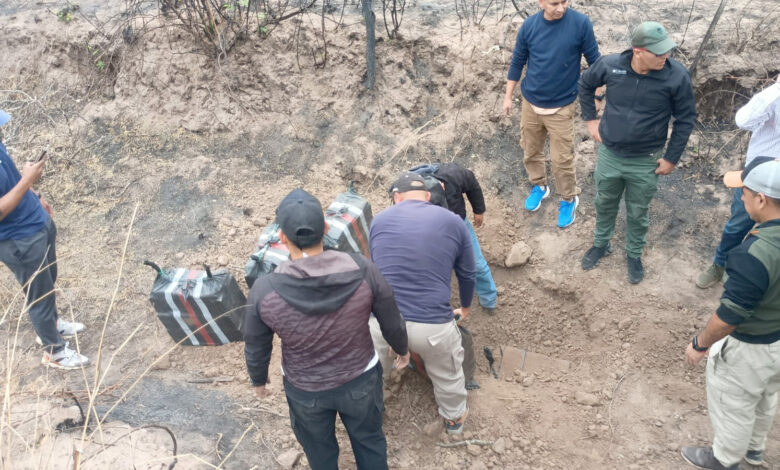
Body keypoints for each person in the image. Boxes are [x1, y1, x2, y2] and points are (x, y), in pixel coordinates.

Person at [243, 189, 409, 470]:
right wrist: (401, 348)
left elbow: (256, 343)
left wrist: (259, 380)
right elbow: (390, 316)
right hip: (361, 381)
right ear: (327, 228)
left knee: (319, 453)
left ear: (282, 238)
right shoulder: (362, 269)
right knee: (369, 441)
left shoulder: (264, 290)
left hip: (305, 390)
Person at [578, 21, 696, 284]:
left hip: (646, 160)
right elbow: (585, 85)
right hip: (610, 154)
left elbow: (686, 119)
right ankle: (601, 244)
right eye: (658, 52)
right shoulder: (611, 65)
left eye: (667, 51)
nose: (665, 56)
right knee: (605, 201)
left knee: (638, 210)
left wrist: (671, 158)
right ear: (638, 50)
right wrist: (590, 120)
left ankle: (633, 253)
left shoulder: (676, 76)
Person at [682, 157, 780, 470]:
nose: (741, 197)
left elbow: (728, 317)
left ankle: (724, 461)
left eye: (746, 193)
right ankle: (754, 451)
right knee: (765, 397)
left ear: (762, 200)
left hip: (751, 348)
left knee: (734, 404)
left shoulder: (755, 252)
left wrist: (700, 343)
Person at [368, 172, 475, 434]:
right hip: (433, 329)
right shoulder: (453, 221)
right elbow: (468, 273)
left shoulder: (378, 222)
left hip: (383, 323)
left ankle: (371, 417)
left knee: (372, 375)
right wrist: (465, 306)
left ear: (396, 197)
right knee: (448, 373)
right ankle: (453, 422)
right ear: (428, 197)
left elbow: (375, 272)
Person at [0, 110, 88, 370]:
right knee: (38, 294)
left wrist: (35, 195)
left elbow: (12, 177)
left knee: (48, 280)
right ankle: (55, 352)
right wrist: (28, 180)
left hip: (36, 223)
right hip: (19, 240)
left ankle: (52, 325)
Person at [503, 0, 600, 228]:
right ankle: (539, 186)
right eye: (555, 3)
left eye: (564, 1)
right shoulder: (529, 26)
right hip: (530, 103)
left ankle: (568, 198)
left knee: (561, 159)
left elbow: (595, 62)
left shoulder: (580, 24)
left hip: (561, 106)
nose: (561, 7)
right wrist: (508, 96)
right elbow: (517, 61)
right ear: (541, 2)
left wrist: (597, 95)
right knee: (530, 149)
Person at [696, 75, 780, 289]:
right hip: (756, 178)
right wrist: (776, 89)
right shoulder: (774, 98)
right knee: (737, 226)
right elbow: (743, 121)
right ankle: (720, 265)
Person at [411, 162, 498, 313]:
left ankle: (488, 300)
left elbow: (471, 182)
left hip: (458, 224)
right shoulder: (407, 197)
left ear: (443, 187)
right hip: (426, 233)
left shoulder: (453, 175)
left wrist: (479, 210)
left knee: (476, 265)